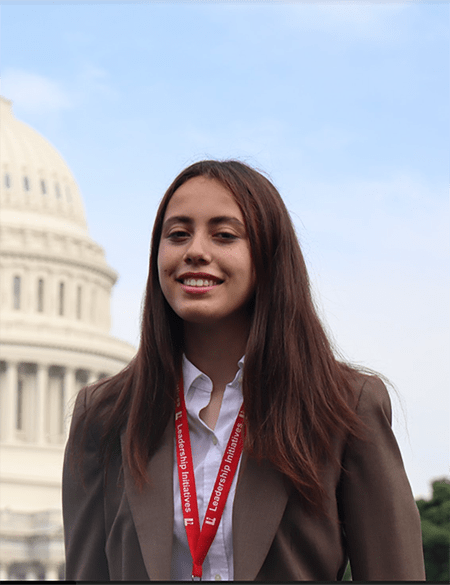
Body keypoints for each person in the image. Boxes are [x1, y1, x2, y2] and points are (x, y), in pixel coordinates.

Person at [63, 159, 426, 581]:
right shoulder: (105, 416)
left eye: (224, 235)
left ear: (268, 256)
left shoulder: (343, 408)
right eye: (177, 234)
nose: (196, 251)